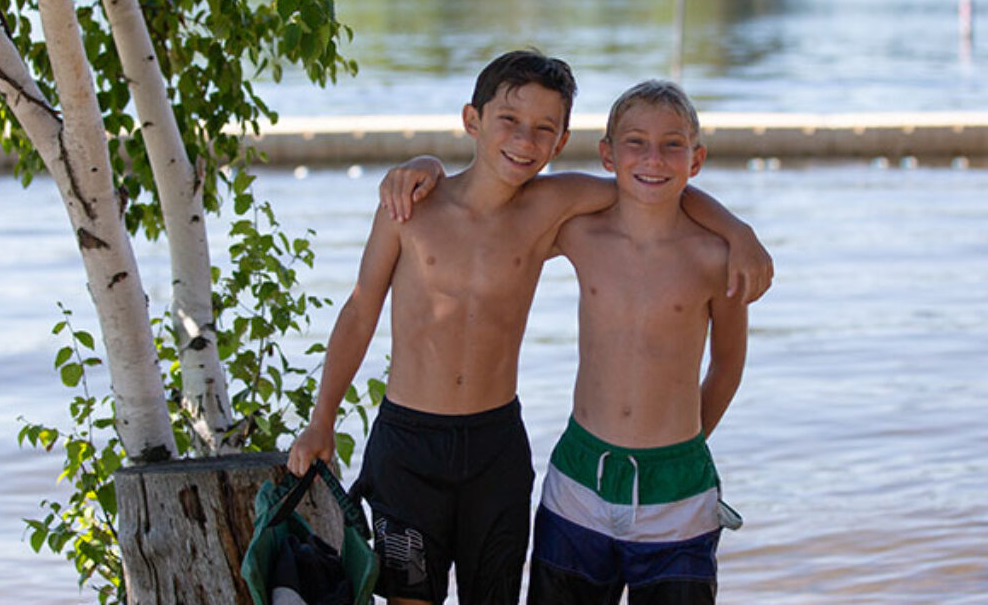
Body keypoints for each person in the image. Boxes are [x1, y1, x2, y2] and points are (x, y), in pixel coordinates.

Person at [287, 50, 769, 605]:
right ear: (473, 121)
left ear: (562, 142)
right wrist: (321, 419)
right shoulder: (412, 207)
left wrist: (737, 230)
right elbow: (359, 310)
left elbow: (653, 186)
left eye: (544, 129)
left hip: (497, 446)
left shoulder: (552, 207)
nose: (524, 140)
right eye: (509, 122)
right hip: (408, 444)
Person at [527, 80, 748, 605]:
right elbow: (499, 209)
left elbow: (729, 365)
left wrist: (684, 443)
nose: (654, 158)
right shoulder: (580, 233)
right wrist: (423, 169)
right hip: (579, 482)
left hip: (679, 495)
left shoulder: (717, 258)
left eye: (673, 144)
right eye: (635, 142)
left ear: (696, 161)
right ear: (607, 154)